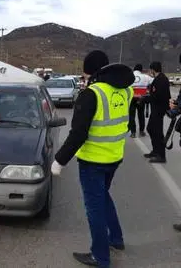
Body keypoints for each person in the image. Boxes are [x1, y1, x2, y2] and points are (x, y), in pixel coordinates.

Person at [51, 50, 135, 268]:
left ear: (89, 71)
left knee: (94, 208)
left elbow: (78, 133)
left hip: (93, 161)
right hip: (115, 156)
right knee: (103, 198)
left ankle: (100, 256)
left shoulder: (92, 94)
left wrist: (59, 160)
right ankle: (116, 239)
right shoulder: (125, 91)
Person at [143, 61, 171, 163]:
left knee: (158, 132)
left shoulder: (161, 80)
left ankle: (161, 155)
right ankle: (155, 151)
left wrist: (145, 99)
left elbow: (157, 96)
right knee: (150, 129)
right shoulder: (159, 79)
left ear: (153, 70)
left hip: (159, 109)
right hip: (156, 108)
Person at [128, 64, 153, 138]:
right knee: (141, 115)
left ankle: (133, 133)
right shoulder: (145, 77)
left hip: (132, 98)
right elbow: (154, 81)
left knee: (131, 116)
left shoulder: (129, 76)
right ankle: (141, 131)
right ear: (141, 70)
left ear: (134, 69)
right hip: (142, 98)